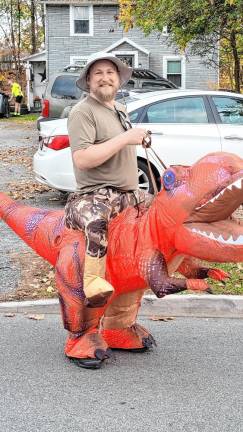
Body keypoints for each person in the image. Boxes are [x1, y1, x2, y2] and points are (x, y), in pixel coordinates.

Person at [64, 51, 153, 368]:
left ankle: (118, 326)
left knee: (160, 218)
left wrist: (136, 137)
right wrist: (126, 138)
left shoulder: (120, 109)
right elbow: (83, 159)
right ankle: (91, 289)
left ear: (119, 80)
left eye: (110, 73)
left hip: (129, 195)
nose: (105, 77)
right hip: (93, 198)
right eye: (98, 72)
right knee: (96, 222)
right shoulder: (81, 112)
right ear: (88, 80)